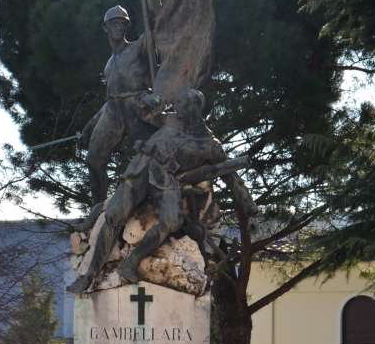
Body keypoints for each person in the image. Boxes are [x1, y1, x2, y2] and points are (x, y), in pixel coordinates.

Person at [68, 89, 259, 292]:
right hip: (140, 170)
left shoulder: (210, 145)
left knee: (172, 222)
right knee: (113, 216)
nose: (175, 106)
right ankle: (89, 276)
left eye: (181, 103)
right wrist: (148, 100)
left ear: (192, 107)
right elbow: (147, 115)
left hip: (165, 181)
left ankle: (130, 262)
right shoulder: (171, 120)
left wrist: (252, 212)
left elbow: (233, 179)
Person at [80, 4, 163, 213]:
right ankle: (98, 210)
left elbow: (156, 22)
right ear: (105, 28)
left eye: (122, 23)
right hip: (114, 110)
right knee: (93, 159)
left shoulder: (138, 46)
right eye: (114, 24)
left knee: (154, 157)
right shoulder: (109, 63)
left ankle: (162, 202)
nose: (119, 27)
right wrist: (91, 123)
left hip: (137, 105)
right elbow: (111, 99)